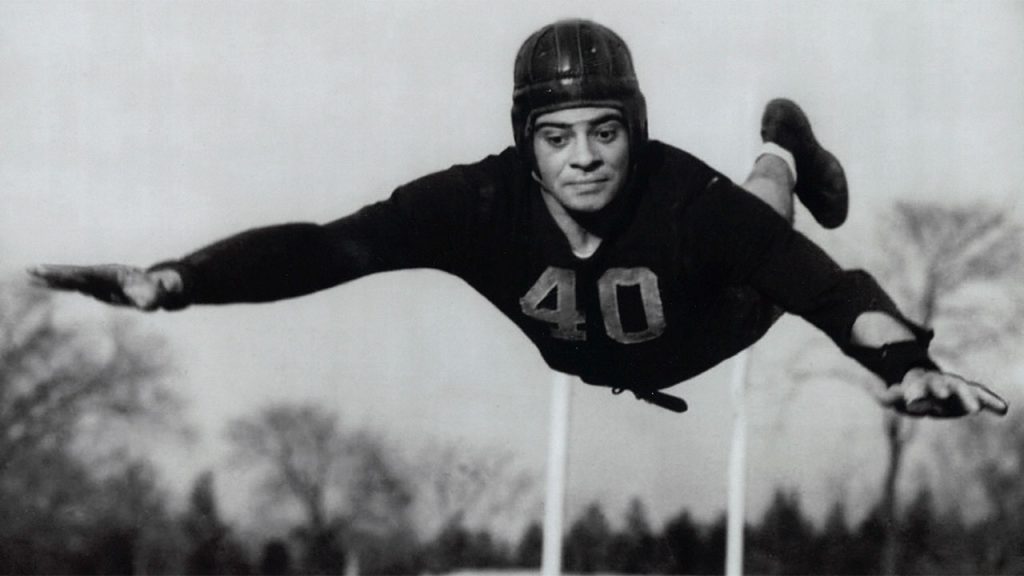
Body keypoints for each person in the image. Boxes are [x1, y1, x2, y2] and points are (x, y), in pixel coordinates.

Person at [30, 19, 1007, 418]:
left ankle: (781, 148)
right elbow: (328, 249)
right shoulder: (477, 205)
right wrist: (179, 279)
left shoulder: (682, 197)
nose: (583, 158)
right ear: (524, 142)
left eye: (604, 132)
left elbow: (829, 291)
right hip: (597, 354)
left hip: (714, 319)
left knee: (763, 222)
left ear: (634, 134)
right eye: (557, 137)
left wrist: (904, 363)